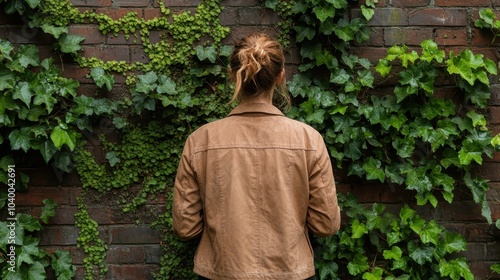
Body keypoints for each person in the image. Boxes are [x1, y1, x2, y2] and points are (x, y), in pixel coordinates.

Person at [172, 33, 341, 280]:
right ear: (281, 76)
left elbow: (185, 228)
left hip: (222, 271)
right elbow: (326, 225)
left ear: (233, 76)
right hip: (289, 271)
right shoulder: (308, 140)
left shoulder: (201, 141)